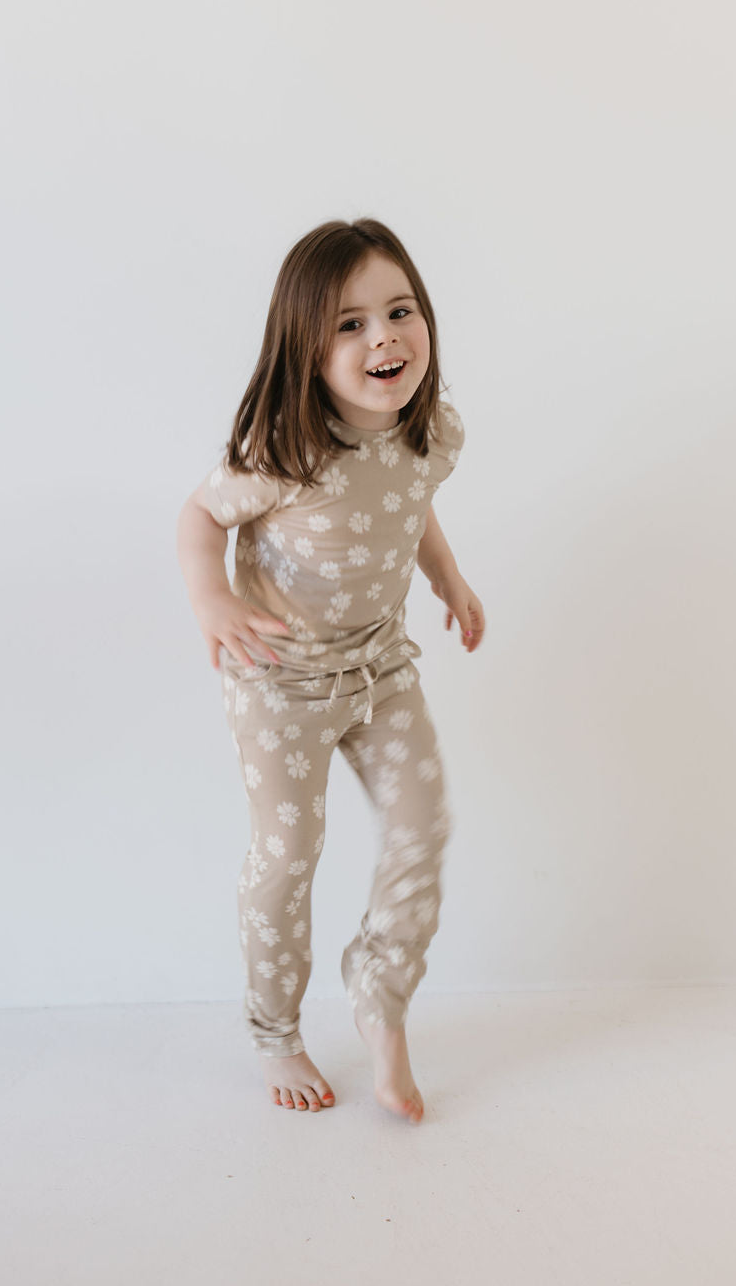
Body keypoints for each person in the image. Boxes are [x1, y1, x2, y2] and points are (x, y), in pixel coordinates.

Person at [176, 217, 484, 1123]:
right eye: (349, 324)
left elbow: (410, 502)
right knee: (289, 853)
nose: (383, 336)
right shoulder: (284, 449)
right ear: (306, 349)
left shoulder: (432, 434)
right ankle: (276, 1032)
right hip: (279, 679)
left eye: (399, 311)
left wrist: (451, 578)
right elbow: (199, 518)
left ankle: (381, 990)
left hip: (381, 666)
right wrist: (212, 601)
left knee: (424, 825)